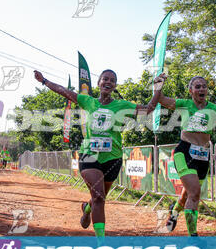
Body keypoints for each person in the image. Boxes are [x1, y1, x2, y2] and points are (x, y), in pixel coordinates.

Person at [34, 69, 161, 239]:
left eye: (112, 80)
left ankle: (87, 209)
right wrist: (44, 81)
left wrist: (158, 88)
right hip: (89, 156)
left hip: (112, 158)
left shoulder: (122, 105)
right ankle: (101, 244)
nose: (108, 82)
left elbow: (148, 109)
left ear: (115, 85)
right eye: (105, 79)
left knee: (98, 198)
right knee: (99, 197)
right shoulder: (88, 101)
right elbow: (63, 90)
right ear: (99, 83)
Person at [154, 74, 216, 236]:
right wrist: (158, 85)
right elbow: (160, 99)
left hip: (203, 156)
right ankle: (193, 237)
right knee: (195, 193)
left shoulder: (213, 108)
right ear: (191, 91)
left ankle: (174, 213)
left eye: (204, 86)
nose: (201, 89)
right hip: (185, 152)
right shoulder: (185, 104)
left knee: (187, 194)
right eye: (197, 86)